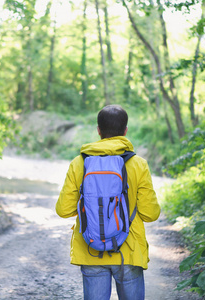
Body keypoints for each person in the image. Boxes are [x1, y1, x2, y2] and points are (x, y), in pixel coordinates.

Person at [56, 105, 161, 300]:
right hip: (128, 251)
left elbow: (63, 210)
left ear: (98, 130)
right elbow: (150, 214)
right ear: (125, 131)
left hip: (90, 248)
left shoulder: (79, 163)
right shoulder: (138, 164)